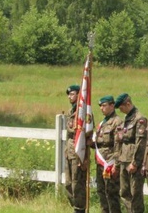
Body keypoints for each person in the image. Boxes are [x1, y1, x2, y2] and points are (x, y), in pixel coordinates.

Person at [115, 92, 148, 213]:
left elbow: (140, 143)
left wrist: (135, 162)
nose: (120, 110)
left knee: (135, 194)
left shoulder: (139, 119)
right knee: (124, 192)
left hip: (132, 161)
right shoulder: (126, 119)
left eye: (121, 107)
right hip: (124, 158)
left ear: (127, 104)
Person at [94, 95, 123, 213]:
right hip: (100, 162)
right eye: (100, 106)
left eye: (104, 105)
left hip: (110, 162)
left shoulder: (117, 121)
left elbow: (118, 145)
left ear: (112, 105)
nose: (101, 108)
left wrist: (116, 164)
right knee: (101, 191)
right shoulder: (102, 123)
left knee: (112, 193)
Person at [64, 84, 87, 213]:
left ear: (79, 94)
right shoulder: (71, 111)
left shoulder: (83, 112)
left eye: (72, 94)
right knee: (68, 184)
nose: (69, 96)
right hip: (69, 150)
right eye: (69, 94)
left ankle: (80, 209)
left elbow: (86, 132)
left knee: (77, 183)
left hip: (78, 151)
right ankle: (75, 207)